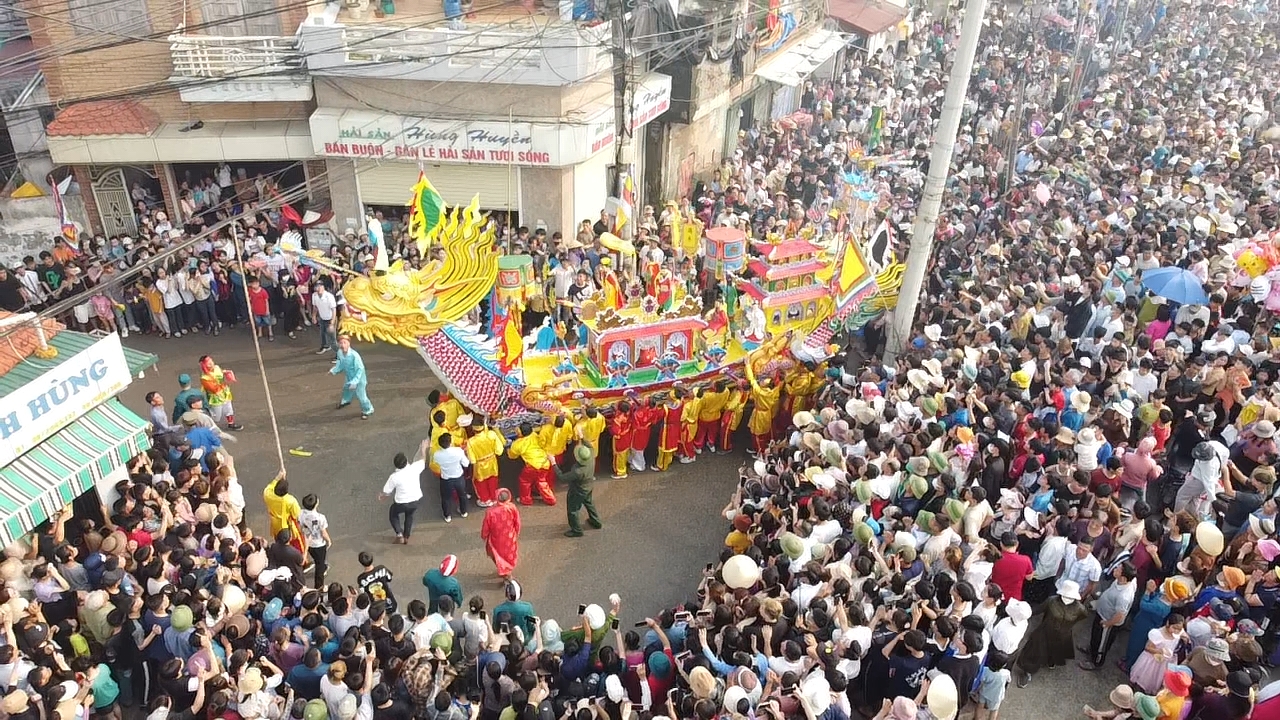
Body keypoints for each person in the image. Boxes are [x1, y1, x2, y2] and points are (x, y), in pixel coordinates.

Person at [1015, 580, 1089, 688]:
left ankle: (1050, 660)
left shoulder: (1080, 609)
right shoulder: (1051, 601)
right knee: (1034, 652)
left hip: (1063, 634)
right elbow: (1037, 610)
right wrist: (1021, 613)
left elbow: (1081, 618)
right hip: (1045, 631)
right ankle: (1027, 672)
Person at [555, 442, 602, 538]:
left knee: (573, 510)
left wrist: (553, 464)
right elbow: (589, 446)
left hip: (578, 491)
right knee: (589, 503)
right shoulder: (591, 457)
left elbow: (562, 478)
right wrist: (582, 437)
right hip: (588, 486)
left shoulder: (578, 471)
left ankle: (576, 530)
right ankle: (596, 521)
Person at [507, 422, 556, 506]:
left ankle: (526, 499)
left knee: (525, 481)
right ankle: (550, 499)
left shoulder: (517, 444)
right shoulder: (534, 435)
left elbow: (512, 456)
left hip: (531, 466)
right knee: (542, 481)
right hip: (544, 463)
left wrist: (508, 449)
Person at [381, 452, 425, 544]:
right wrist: (423, 449)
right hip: (415, 501)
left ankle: (399, 534)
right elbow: (423, 460)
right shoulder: (414, 468)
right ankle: (406, 536)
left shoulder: (394, 477)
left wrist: (382, 496)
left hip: (401, 503)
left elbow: (387, 491)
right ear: (406, 461)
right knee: (409, 516)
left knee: (393, 514)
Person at [479, 488, 521, 579]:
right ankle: (507, 570)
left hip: (496, 539)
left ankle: (505, 573)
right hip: (510, 537)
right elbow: (517, 522)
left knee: (496, 554)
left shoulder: (491, 512)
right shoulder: (512, 507)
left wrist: (484, 535)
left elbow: (486, 526)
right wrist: (516, 532)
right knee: (509, 555)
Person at [331, 335, 373, 419]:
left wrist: (355, 382)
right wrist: (334, 370)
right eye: (341, 343)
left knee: (361, 396)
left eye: (345, 343)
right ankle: (346, 400)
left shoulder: (354, 355)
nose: (343, 345)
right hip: (349, 376)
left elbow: (360, 369)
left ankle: (368, 410)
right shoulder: (340, 352)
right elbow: (340, 362)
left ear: (349, 343)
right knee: (346, 388)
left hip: (359, 379)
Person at [466, 418, 504, 508]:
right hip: (492, 461)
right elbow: (499, 451)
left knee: (480, 482)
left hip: (480, 465)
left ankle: (485, 500)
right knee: (493, 479)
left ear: (473, 429)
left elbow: (472, 460)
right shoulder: (492, 435)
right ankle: (493, 498)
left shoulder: (471, 442)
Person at [198, 355, 241, 430]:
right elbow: (213, 389)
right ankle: (205, 422)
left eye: (211, 361)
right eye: (208, 363)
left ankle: (231, 423)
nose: (211, 363)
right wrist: (225, 383)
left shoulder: (217, 368)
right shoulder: (205, 378)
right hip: (215, 398)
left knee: (229, 409)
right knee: (216, 416)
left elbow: (220, 372)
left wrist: (226, 373)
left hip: (225, 394)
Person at [433, 433, 470, 522]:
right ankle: (463, 512)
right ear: (450, 442)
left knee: (446, 498)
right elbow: (466, 463)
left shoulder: (437, 454)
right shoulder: (458, 451)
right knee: (462, 495)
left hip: (446, 479)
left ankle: (447, 516)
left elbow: (435, 464)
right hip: (458, 477)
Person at [298, 493, 331, 588]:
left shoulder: (301, 513)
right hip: (319, 544)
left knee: (317, 559)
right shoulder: (321, 518)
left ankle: (322, 566)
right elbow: (323, 533)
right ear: (316, 504)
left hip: (308, 543)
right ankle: (319, 586)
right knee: (319, 565)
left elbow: (300, 528)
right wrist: (329, 540)